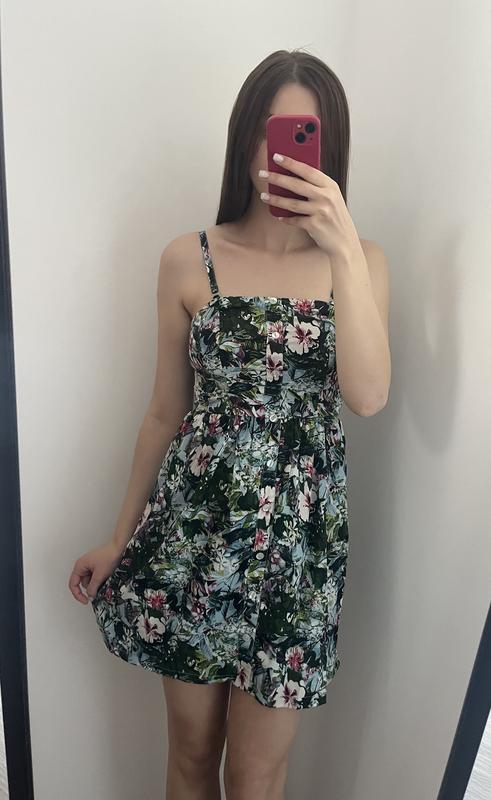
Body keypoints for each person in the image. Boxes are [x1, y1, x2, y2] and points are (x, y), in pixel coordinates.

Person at [69, 48, 390, 800]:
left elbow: (369, 395)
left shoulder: (362, 262)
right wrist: (119, 537)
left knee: (257, 776)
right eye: (272, 134)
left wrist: (342, 246)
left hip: (301, 555)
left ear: (330, 148)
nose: (283, 156)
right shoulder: (188, 260)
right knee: (191, 757)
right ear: (246, 137)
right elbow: (163, 412)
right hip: (194, 538)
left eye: (305, 136)